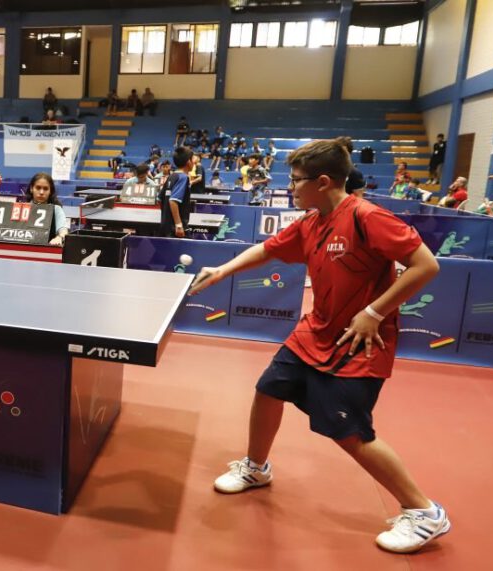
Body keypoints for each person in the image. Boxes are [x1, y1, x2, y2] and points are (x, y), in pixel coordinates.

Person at [191, 138, 448, 555]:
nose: (291, 188)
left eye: (296, 181)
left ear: (323, 181)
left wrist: (375, 312)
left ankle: (424, 512)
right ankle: (257, 468)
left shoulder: (367, 217)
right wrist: (222, 270)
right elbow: (267, 249)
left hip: (359, 338)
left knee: (350, 432)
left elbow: (427, 264)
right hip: (316, 330)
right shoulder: (311, 221)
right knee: (268, 390)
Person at [23, 172, 69, 246]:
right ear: (31, 189)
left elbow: (63, 229)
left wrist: (59, 237)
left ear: (50, 191)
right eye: (38, 188)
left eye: (45, 189)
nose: (41, 192)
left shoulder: (56, 209)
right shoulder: (23, 208)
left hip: (47, 251)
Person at [159, 148, 193, 238]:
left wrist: (166, 217)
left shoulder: (171, 176)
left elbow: (160, 198)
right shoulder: (183, 178)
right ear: (189, 162)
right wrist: (178, 224)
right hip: (177, 229)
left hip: (166, 226)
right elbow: (173, 201)